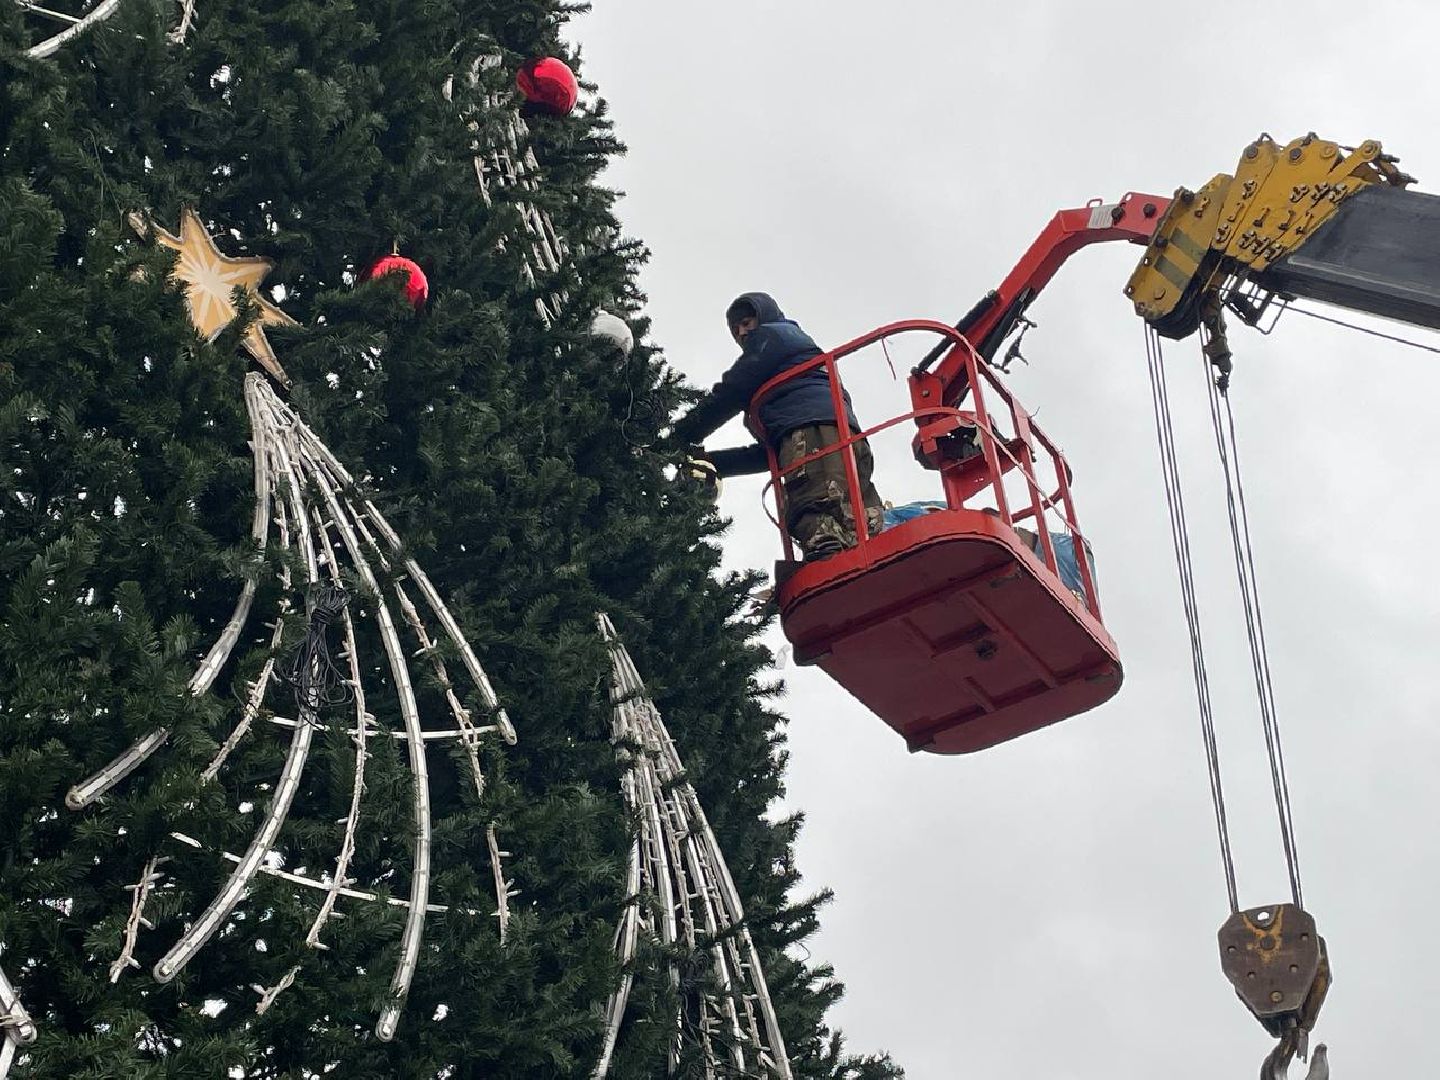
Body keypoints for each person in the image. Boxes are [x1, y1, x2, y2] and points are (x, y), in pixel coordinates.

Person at [671, 292, 884, 561]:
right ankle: (864, 558)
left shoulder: (774, 336)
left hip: (814, 432)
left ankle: (827, 558)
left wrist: (680, 437)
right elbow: (771, 454)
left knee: (813, 501)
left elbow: (731, 392)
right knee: (855, 512)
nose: (743, 332)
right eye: (736, 330)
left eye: (747, 322)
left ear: (765, 316)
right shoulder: (788, 374)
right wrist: (714, 462)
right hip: (845, 438)